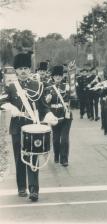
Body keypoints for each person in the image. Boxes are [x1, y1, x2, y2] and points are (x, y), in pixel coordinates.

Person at [0, 53, 58, 202]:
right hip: (17, 126)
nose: (23, 71)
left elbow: (43, 107)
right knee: (19, 158)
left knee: (33, 157)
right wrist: (9, 106)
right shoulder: (11, 87)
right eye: (20, 69)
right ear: (16, 71)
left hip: (32, 126)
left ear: (29, 69)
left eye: (26, 68)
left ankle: (34, 189)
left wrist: (49, 115)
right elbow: (2, 101)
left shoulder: (37, 86)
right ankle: (21, 187)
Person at [45, 65, 72, 167]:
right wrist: (48, 99)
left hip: (65, 115)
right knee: (56, 139)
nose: (58, 77)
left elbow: (72, 96)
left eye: (60, 75)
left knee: (64, 139)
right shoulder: (48, 88)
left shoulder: (66, 86)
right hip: (54, 116)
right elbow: (45, 102)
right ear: (52, 77)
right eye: (56, 75)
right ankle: (57, 154)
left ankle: (64, 159)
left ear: (62, 76)